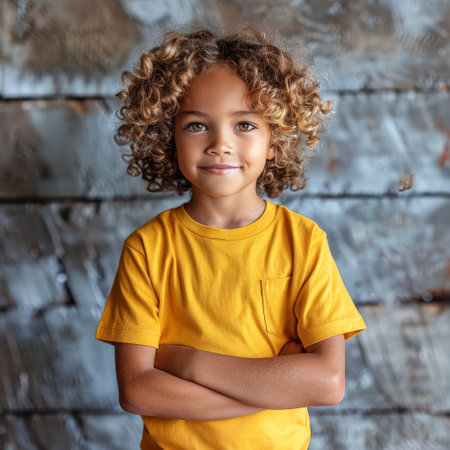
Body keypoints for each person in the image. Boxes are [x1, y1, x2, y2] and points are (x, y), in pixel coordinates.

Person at [95, 26, 366, 449]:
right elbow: (138, 391)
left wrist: (187, 362)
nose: (221, 145)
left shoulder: (303, 242)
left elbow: (327, 383)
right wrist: (272, 385)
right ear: (168, 136)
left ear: (274, 139)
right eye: (197, 125)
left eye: (244, 124)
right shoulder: (147, 249)